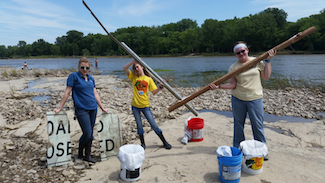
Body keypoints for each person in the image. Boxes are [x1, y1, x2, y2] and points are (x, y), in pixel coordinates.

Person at [210, 41, 276, 160]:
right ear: (235, 54)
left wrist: (268, 61)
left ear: (247, 50)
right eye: (238, 52)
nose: (241, 54)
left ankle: (262, 150)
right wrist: (218, 86)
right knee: (238, 125)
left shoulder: (257, 61)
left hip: (255, 99)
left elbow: (266, 76)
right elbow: (233, 85)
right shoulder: (233, 67)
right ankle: (238, 149)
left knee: (257, 125)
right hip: (238, 99)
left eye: (243, 51)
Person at [54, 57, 109, 163]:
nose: (85, 69)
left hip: (93, 108)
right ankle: (80, 152)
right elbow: (67, 92)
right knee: (87, 133)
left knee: (90, 133)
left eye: (87, 68)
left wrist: (102, 107)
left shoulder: (91, 78)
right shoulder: (74, 76)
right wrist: (60, 107)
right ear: (79, 67)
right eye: (82, 67)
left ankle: (87, 155)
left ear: (89, 68)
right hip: (81, 109)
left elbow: (95, 94)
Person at [123, 59, 172, 150]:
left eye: (137, 67)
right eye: (135, 68)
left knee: (153, 125)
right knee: (139, 126)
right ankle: (143, 144)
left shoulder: (148, 79)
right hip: (135, 106)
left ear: (142, 67)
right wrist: (133, 61)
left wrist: (160, 87)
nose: (136, 69)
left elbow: (153, 92)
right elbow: (124, 67)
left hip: (145, 106)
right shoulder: (133, 77)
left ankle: (164, 142)